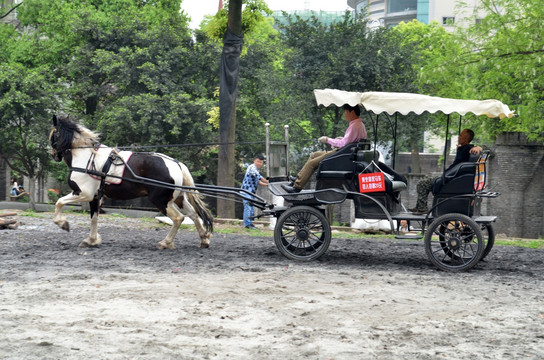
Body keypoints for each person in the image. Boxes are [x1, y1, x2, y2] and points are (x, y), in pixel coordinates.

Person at [282, 104, 367, 193]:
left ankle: (297, 187)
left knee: (312, 163)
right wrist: (342, 138)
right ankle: (299, 178)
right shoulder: (359, 125)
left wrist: (327, 140)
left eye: (345, 111)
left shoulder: (355, 126)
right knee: (314, 155)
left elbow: (343, 144)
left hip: (342, 154)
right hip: (345, 152)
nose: (344, 114)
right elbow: (351, 141)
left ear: (352, 112)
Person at [409, 128, 483, 213]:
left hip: (449, 179)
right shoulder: (464, 148)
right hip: (450, 176)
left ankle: (422, 208)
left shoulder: (468, 149)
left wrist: (478, 147)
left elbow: (477, 148)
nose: (459, 137)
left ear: (466, 138)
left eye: (461, 135)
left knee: (422, 183)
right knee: (427, 178)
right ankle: (419, 206)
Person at [241, 154, 268, 230]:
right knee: (248, 207)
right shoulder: (252, 167)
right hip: (246, 191)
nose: (259, 163)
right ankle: (247, 224)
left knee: (251, 207)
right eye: (258, 161)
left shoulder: (256, 169)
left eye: (261, 162)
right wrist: (269, 182)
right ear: (254, 161)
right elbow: (259, 177)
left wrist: (267, 184)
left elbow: (258, 181)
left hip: (251, 192)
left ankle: (249, 223)